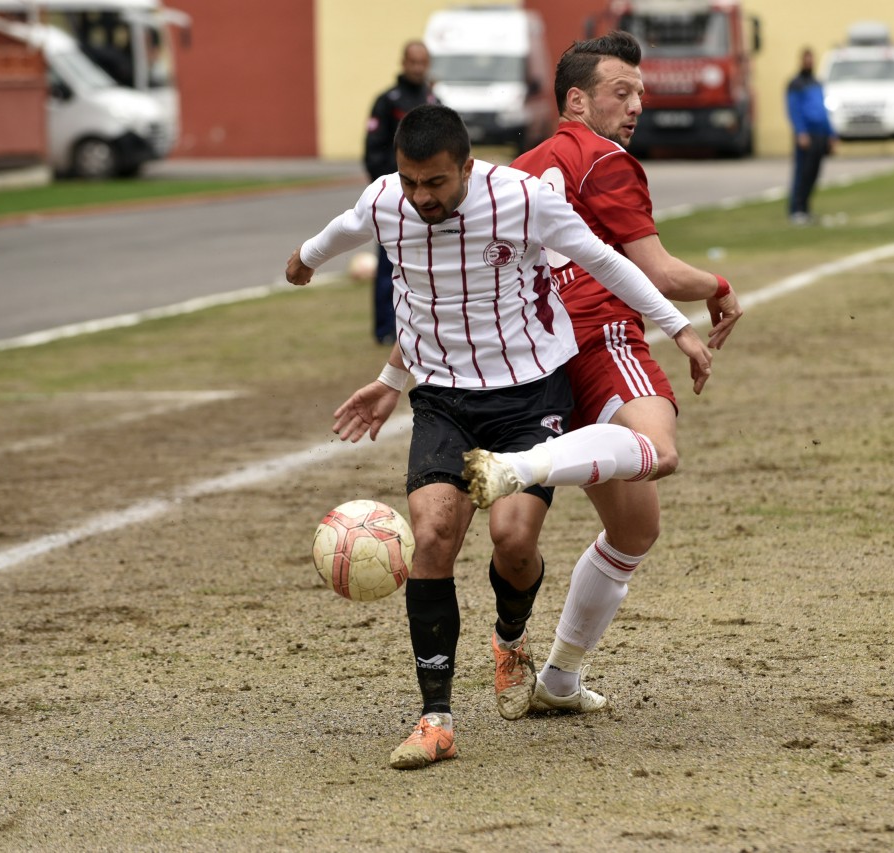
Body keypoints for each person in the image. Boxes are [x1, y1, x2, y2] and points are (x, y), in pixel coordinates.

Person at [284, 104, 713, 770]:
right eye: (410, 182)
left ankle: (509, 637)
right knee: (431, 536)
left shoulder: (522, 199)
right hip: (442, 399)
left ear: (466, 166)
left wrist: (679, 327)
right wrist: (306, 260)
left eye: (435, 183)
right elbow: (345, 227)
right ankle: (436, 717)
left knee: (514, 542)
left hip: (529, 392)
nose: (421, 197)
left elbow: (606, 263)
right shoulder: (387, 202)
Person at [472, 30, 742, 716]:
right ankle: (526, 468)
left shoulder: (515, 171)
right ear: (575, 100)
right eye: (621, 92)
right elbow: (654, 270)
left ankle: (556, 678)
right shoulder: (605, 160)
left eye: (640, 94)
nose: (636, 106)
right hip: (600, 339)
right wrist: (716, 284)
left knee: (628, 529)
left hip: (527, 361)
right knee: (660, 451)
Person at [363, 40, 439, 345]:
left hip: (432, 202)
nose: (417, 68)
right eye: (413, 62)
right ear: (403, 62)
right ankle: (385, 329)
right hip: (397, 198)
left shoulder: (434, 102)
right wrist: (393, 189)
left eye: (423, 62)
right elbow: (373, 152)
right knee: (387, 264)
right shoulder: (387, 101)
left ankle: (425, 328)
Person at [784, 48, 834, 225]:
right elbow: (794, 110)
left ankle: (806, 208)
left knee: (814, 174)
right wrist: (801, 131)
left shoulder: (817, 83)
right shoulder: (796, 84)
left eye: (811, 59)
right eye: (806, 59)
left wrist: (831, 133)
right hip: (807, 134)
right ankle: (796, 209)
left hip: (820, 133)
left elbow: (823, 110)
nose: (809, 62)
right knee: (802, 172)